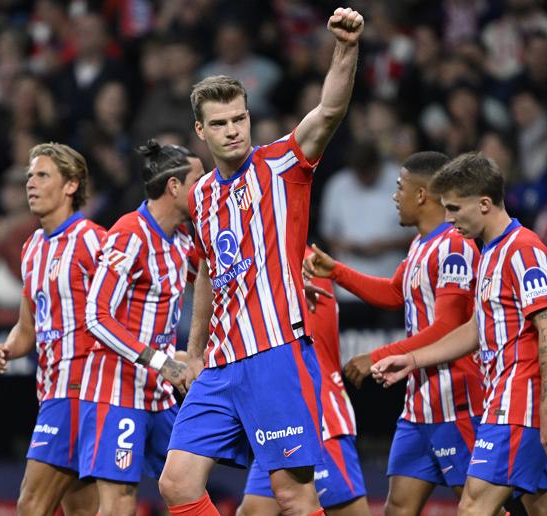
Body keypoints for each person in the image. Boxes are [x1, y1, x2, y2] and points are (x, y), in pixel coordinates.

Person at [157, 7, 365, 516]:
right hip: (219, 365)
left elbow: (328, 111)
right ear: (201, 131)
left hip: (276, 355)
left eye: (240, 119)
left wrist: (346, 48)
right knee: (176, 483)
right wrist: (195, 352)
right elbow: (208, 272)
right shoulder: (200, 195)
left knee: (294, 495)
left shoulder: (282, 165)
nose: (233, 131)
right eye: (220, 124)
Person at [371, 152, 547, 516]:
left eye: (454, 208)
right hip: (510, 400)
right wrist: (412, 360)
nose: (448, 218)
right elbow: (476, 329)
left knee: (473, 507)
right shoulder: (490, 252)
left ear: (483, 204)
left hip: (520, 404)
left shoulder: (523, 250)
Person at [305, 152, 485, 515]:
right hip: (419, 406)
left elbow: (447, 329)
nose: (394, 196)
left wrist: (378, 355)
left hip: (455, 402)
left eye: (400, 187)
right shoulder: (421, 244)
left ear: (421, 195)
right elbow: (392, 292)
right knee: (398, 509)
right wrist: (335, 271)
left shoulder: (454, 247)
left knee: (480, 508)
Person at [79, 140, 205, 515]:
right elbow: (96, 316)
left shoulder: (182, 239)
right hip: (116, 392)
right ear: (174, 187)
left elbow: (212, 282)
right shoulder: (129, 235)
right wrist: (164, 362)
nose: (207, 186)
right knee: (120, 503)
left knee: (186, 486)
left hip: (159, 393)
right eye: (199, 180)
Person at [0, 143, 103, 516]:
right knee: (82, 510)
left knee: (31, 505)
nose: (30, 184)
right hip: (51, 390)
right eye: (29, 176)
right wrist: (7, 348)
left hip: (79, 391)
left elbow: (122, 311)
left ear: (71, 185)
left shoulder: (93, 240)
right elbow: (27, 328)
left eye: (42, 175)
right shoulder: (32, 247)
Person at [238, 248, 370, 516]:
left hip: (319, 417)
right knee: (252, 512)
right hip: (279, 419)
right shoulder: (262, 258)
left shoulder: (304, 262)